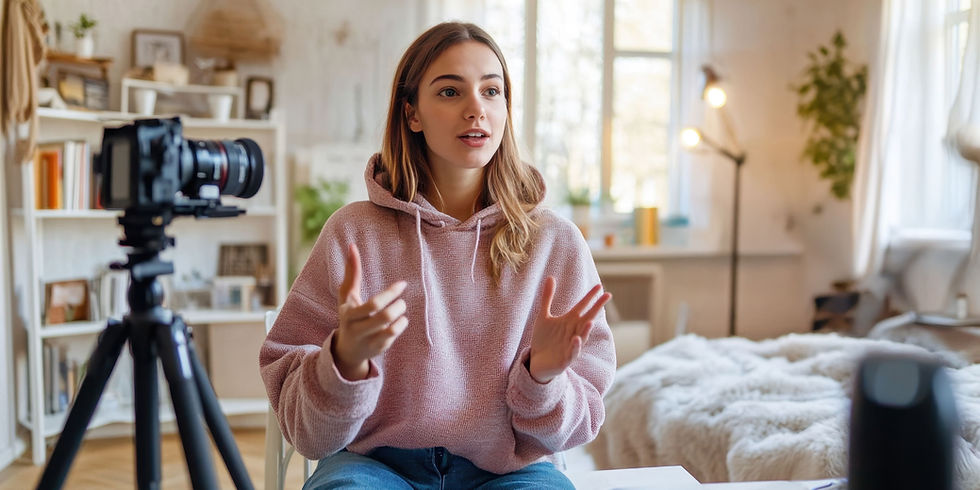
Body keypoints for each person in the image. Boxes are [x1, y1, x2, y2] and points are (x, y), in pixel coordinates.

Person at [260, 21, 616, 489]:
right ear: (412, 114)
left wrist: (543, 378)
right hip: (373, 465)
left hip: (510, 470)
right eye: (450, 92)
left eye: (492, 91)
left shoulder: (555, 242)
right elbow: (309, 436)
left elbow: (573, 430)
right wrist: (343, 362)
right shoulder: (353, 233)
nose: (476, 109)